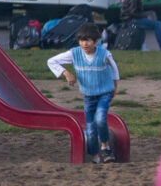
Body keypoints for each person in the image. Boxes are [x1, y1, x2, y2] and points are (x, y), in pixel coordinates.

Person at [47, 22, 120, 163]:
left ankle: (105, 147)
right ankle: (94, 156)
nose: (84, 44)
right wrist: (66, 73)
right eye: (81, 40)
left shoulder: (104, 54)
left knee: (100, 119)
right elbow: (52, 61)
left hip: (105, 93)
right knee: (91, 128)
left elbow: (114, 69)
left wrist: (115, 86)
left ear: (96, 41)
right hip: (88, 96)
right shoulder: (75, 53)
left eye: (88, 40)